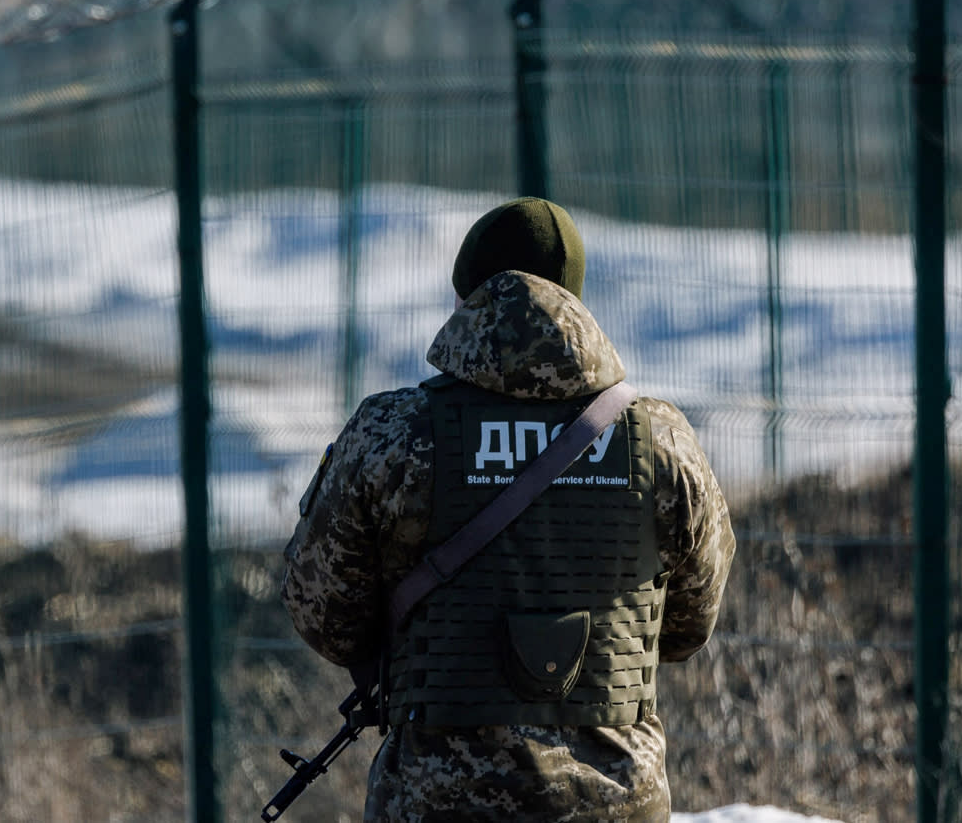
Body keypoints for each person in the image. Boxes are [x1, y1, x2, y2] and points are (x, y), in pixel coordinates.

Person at [284, 197, 733, 823]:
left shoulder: (393, 433)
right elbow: (689, 626)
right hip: (616, 800)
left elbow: (323, 616)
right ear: (575, 293)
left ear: (468, 292)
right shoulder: (659, 439)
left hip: (436, 799)